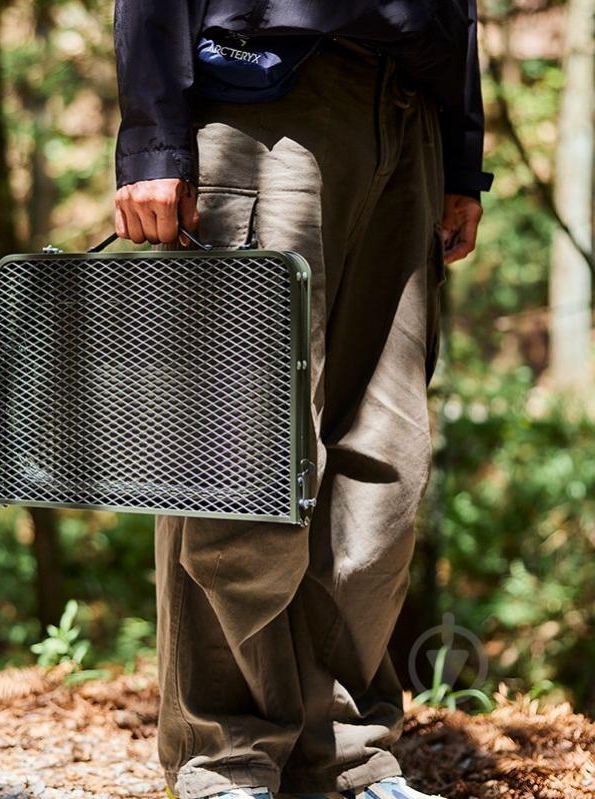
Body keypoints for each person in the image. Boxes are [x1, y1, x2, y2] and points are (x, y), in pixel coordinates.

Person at [112, 4, 493, 799]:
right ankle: (228, 756)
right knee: (237, 455)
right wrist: (153, 132)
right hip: (261, 94)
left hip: (407, 113)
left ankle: (348, 753)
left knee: (384, 460)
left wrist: (460, 155)